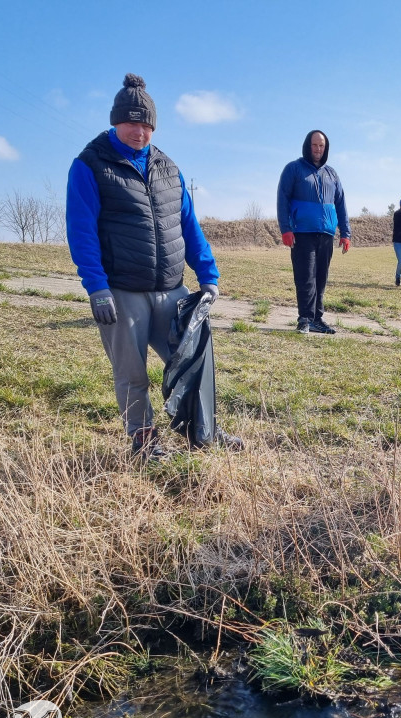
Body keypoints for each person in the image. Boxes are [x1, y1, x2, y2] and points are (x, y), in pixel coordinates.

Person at [66, 73, 243, 461]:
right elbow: (81, 231)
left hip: (171, 289)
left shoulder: (168, 169)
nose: (139, 132)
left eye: (146, 124)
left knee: (192, 361)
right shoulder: (90, 165)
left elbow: (189, 227)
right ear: (116, 121)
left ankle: (204, 432)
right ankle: (145, 444)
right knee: (132, 373)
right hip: (121, 291)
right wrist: (96, 286)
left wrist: (208, 275)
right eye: (131, 122)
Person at [277, 130, 351, 334]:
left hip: (326, 233)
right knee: (305, 276)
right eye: (315, 145)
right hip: (302, 232)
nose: (318, 149)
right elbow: (282, 198)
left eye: (322, 146)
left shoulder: (332, 174)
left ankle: (317, 318)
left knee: (320, 277)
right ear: (307, 146)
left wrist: (346, 233)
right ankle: (305, 318)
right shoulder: (293, 169)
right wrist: (286, 228)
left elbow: (341, 203)